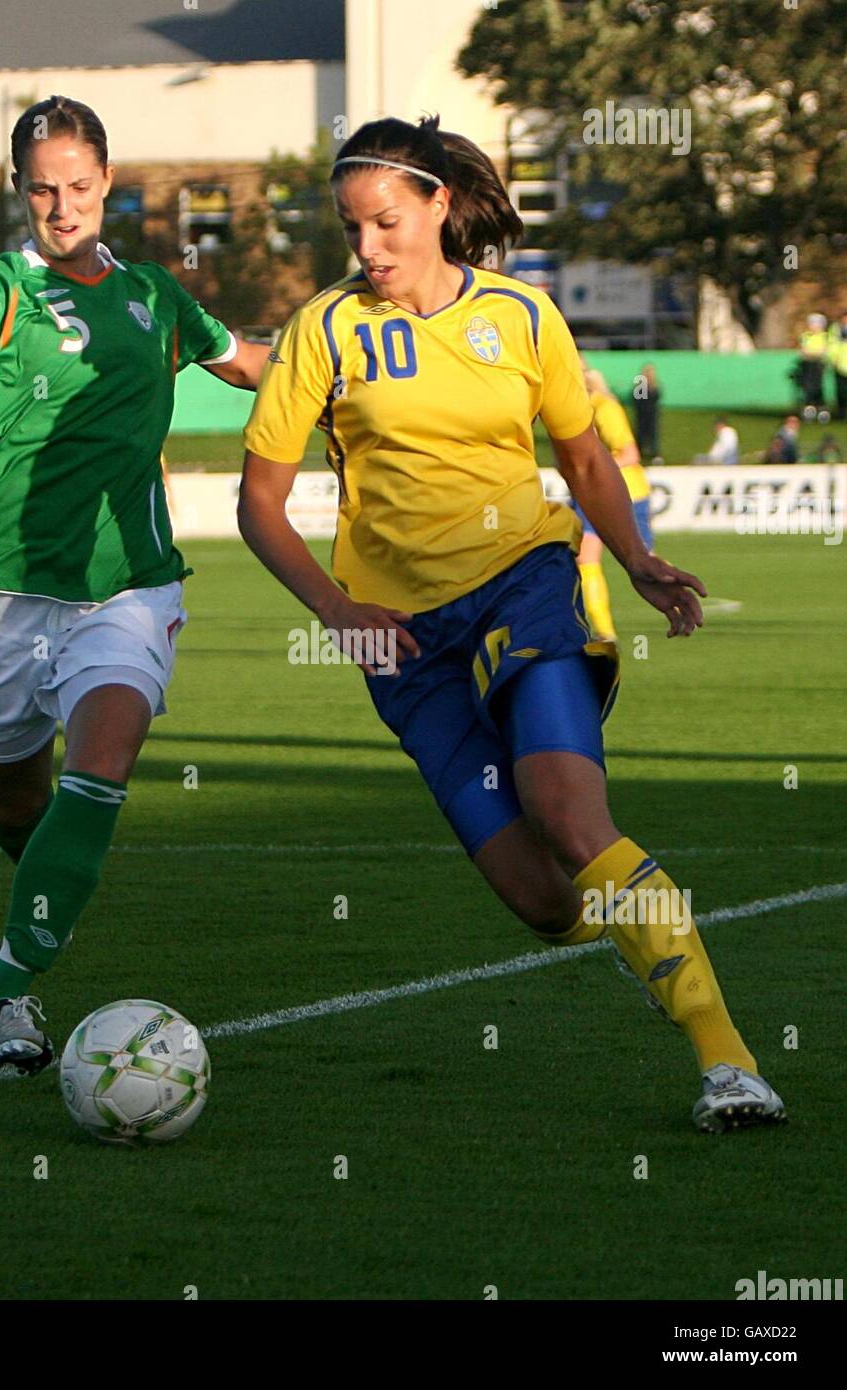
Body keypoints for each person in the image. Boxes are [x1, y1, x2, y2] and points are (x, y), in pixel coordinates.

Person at [237, 114, 785, 1133]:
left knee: (571, 814)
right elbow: (259, 503)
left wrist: (637, 558)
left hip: (525, 585)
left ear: (440, 206)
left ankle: (729, 1063)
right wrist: (336, 609)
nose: (367, 250)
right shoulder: (324, 331)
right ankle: (648, 916)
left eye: (387, 223)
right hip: (402, 641)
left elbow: (583, 461)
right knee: (546, 903)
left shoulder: (524, 317)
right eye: (351, 228)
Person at [0, 95, 269, 1072]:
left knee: (100, 767)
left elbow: (249, 363)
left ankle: (2, 1000)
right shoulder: (1, 284)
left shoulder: (158, 294)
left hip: (129, 586)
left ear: (107, 182)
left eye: (78, 186)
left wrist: (342, 372)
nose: (62, 206)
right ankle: (38, 894)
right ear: (20, 192)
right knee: (21, 808)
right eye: (42, 190)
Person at [571, 365, 654, 642]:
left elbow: (630, 453)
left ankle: (681, 595)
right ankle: (604, 632)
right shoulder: (579, 410)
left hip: (622, 491)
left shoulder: (604, 408)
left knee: (644, 563)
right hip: (597, 491)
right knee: (585, 558)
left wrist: (595, 469)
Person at [796, 313, 829, 422]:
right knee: (808, 387)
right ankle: (809, 409)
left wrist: (812, 353)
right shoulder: (806, 336)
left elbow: (823, 351)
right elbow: (803, 351)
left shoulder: (824, 336)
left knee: (818, 386)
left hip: (818, 364)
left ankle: (821, 409)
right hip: (807, 364)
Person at [630, 362, 662, 463]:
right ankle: (639, 452)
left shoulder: (654, 385)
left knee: (653, 433)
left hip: (652, 413)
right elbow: (637, 399)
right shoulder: (641, 385)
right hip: (642, 413)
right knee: (640, 433)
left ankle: (654, 453)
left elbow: (656, 397)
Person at [827, 311, 847, 421]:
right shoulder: (836, 330)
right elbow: (832, 346)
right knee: (841, 392)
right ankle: (842, 413)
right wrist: (833, 360)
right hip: (839, 365)